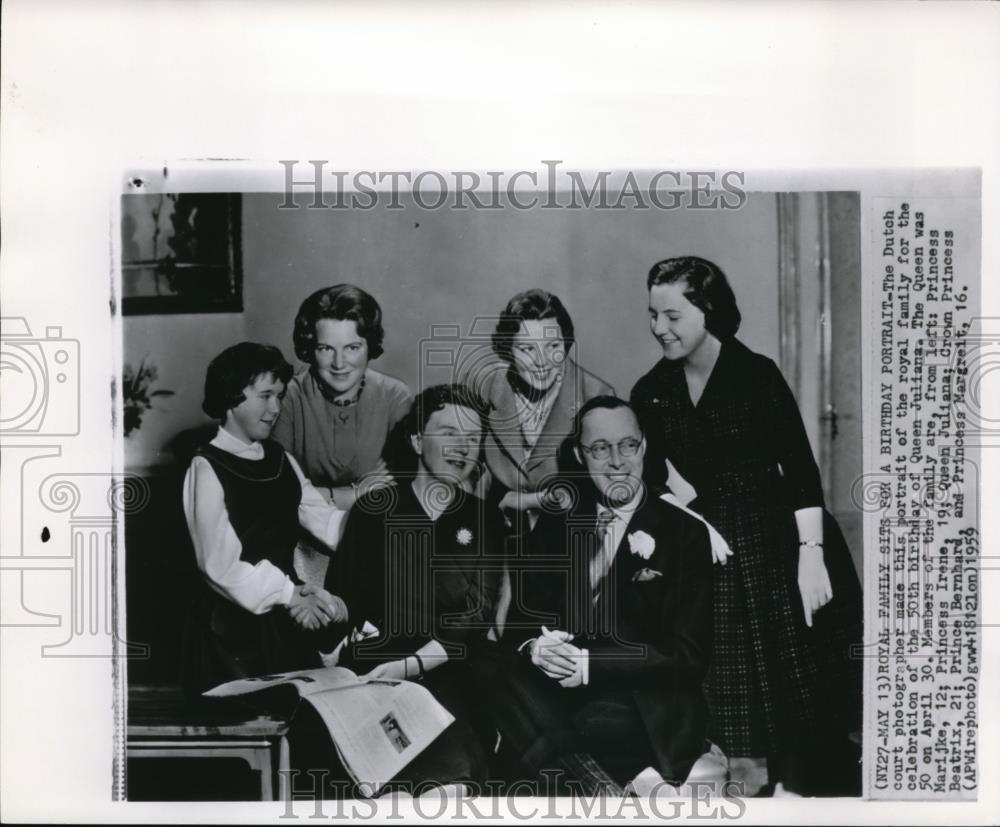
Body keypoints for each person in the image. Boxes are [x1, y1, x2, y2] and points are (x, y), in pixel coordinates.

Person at [630, 255, 862, 796]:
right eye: (652, 314)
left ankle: (807, 788)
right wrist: (685, 512)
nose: (659, 328)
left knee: (800, 694)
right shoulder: (651, 390)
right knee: (727, 692)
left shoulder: (756, 373)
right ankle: (745, 785)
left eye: (672, 315)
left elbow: (801, 469)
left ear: (707, 311)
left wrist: (811, 555)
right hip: (707, 544)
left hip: (778, 541)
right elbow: (651, 477)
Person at [475, 396, 717, 794]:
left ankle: (567, 765)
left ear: (644, 447)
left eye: (628, 445)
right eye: (600, 449)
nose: (617, 461)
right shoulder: (558, 524)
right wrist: (538, 646)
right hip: (555, 692)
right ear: (579, 454)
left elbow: (686, 656)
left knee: (529, 758)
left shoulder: (684, 534)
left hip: (642, 700)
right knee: (485, 661)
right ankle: (594, 779)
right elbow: (522, 618)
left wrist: (588, 664)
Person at [325, 384, 505, 790]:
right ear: (417, 439)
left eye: (473, 438)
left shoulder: (484, 520)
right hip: (376, 668)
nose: (463, 447)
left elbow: (476, 616)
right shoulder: (374, 510)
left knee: (450, 768)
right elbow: (344, 602)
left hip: (453, 668)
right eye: (449, 433)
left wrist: (411, 666)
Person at [182, 342, 349, 694]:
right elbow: (220, 566)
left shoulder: (280, 459)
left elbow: (325, 521)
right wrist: (290, 593)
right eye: (265, 395)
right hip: (231, 634)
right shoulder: (206, 466)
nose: (276, 408)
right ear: (231, 397)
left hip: (287, 616)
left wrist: (377, 526)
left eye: (280, 396)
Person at [464, 289, 614, 632]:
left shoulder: (596, 395)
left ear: (567, 344)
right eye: (527, 348)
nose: (543, 361)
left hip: (566, 542)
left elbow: (595, 488)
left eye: (554, 347)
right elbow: (470, 467)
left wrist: (526, 500)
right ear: (508, 350)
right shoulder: (486, 390)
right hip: (499, 538)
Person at [272, 284, 413, 583]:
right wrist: (359, 493)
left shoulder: (395, 397)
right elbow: (282, 495)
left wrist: (321, 494)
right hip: (302, 551)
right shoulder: (288, 398)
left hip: (380, 548)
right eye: (326, 348)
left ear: (369, 346)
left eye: (352, 347)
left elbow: (400, 494)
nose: (339, 363)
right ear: (310, 348)